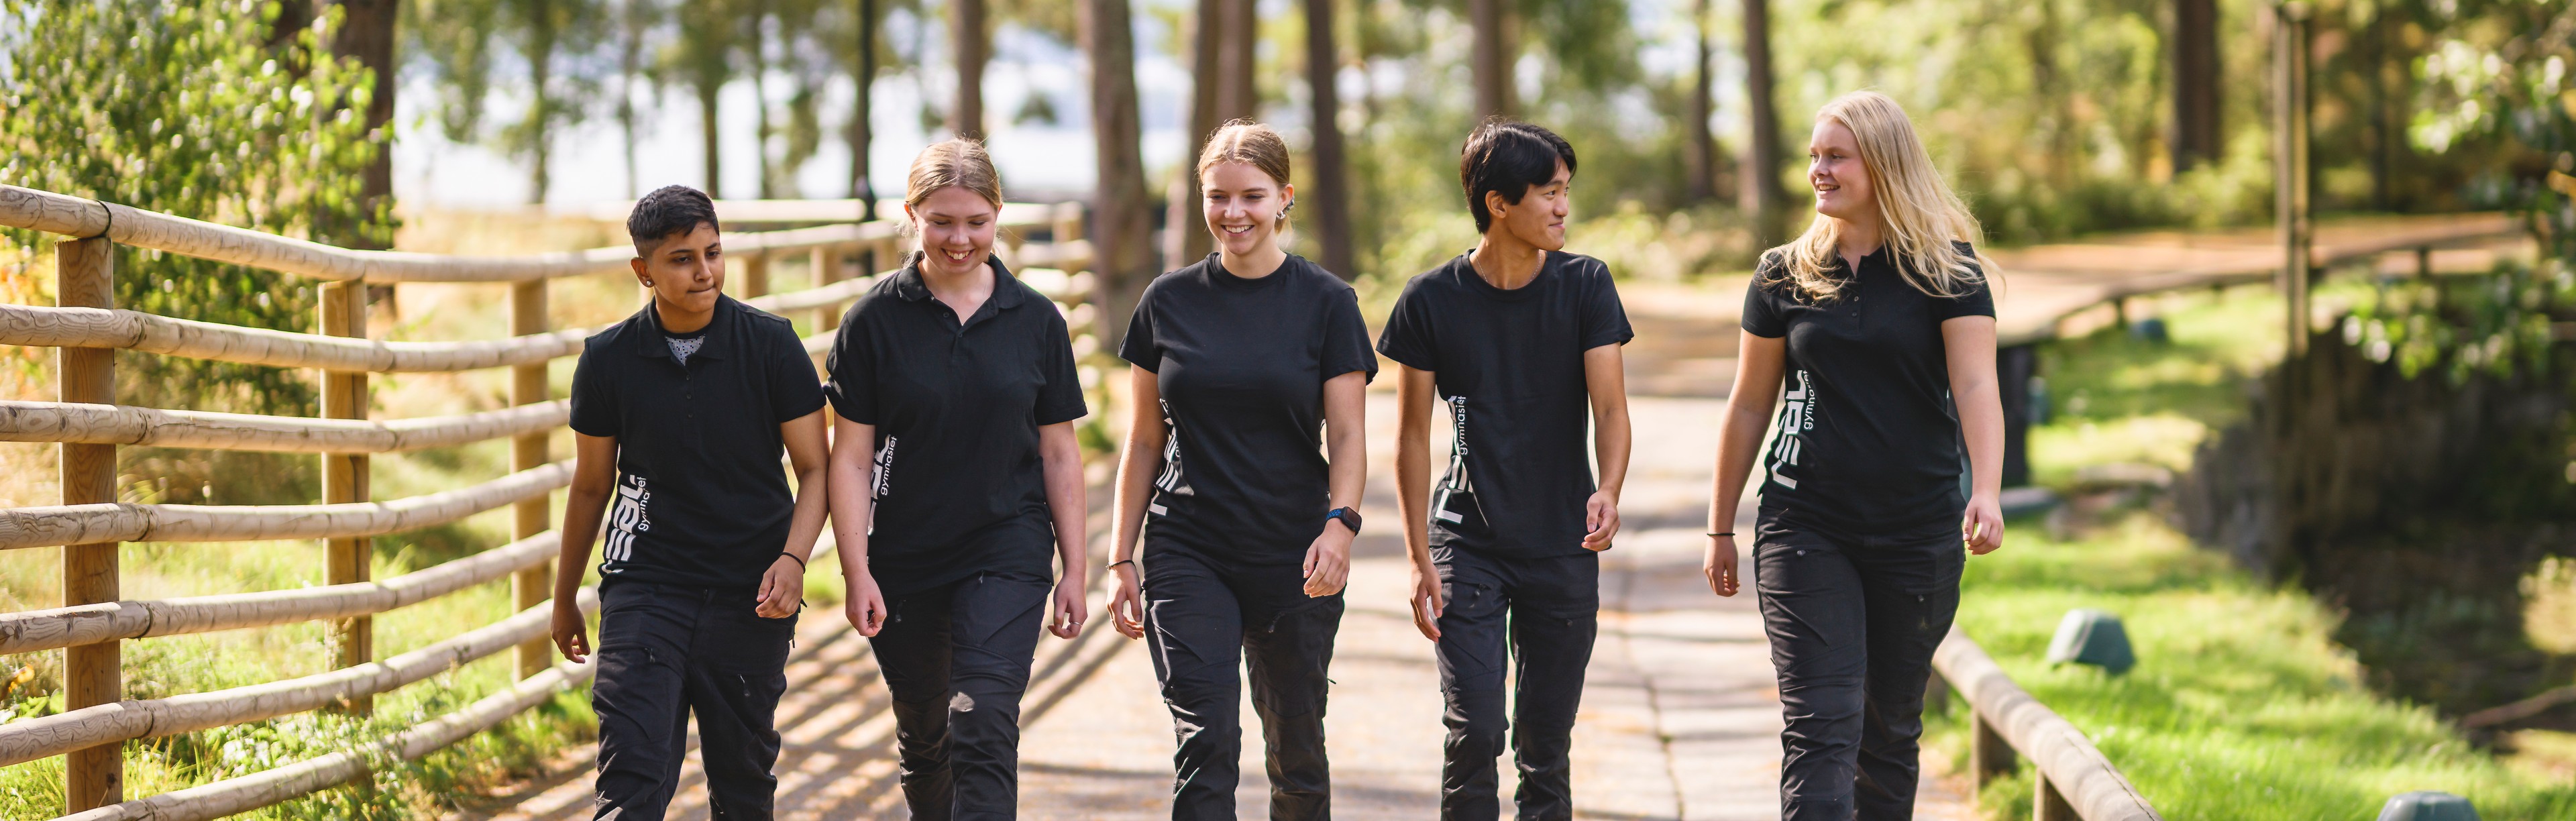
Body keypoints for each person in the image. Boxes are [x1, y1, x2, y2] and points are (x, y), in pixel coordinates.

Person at [1702, 90, 2006, 820]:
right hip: (1806, 522)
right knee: (1821, 724)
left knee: (1889, 732)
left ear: (1883, 163)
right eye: (1814, 155)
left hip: (1917, 530)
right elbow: (1749, 405)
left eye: (1835, 156)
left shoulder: (1949, 271)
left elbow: (1976, 386)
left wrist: (1988, 490)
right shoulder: (1783, 273)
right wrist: (1719, 526)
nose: (1818, 170)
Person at [1104, 119, 1375, 820]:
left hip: (1294, 549)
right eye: (1217, 197)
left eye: (1251, 196)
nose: (1233, 213)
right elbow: (1143, 440)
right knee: (1207, 739)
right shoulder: (1167, 301)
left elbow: (1348, 435)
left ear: (1284, 198)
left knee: (1297, 747)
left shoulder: (1328, 303)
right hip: (1188, 543)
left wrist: (1340, 526)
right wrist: (1120, 557)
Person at [822, 138, 1091, 820]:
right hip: (906, 555)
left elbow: (1060, 453)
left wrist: (1075, 569)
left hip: (1008, 545)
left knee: (982, 716)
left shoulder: (1036, 321)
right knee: (926, 736)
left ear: (998, 216)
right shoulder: (872, 322)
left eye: (977, 222)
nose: (960, 239)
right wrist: (857, 571)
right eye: (941, 222)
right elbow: (850, 458)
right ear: (911, 215)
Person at [548, 184, 833, 821]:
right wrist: (564, 597)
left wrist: (794, 560)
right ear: (643, 270)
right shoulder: (607, 360)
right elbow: (591, 485)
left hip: (750, 590)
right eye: (681, 259)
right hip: (646, 584)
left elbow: (816, 468)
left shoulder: (772, 345)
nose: (704, 271)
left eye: (713, 253)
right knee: (632, 776)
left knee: (742, 783)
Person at [1378, 119, 1633, 820]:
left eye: (1566, 191)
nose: (1563, 208)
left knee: (1545, 746)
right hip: (1467, 543)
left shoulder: (1586, 285)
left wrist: (1609, 489)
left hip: (1563, 543)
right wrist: (1417, 556)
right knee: (1475, 729)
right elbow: (1410, 438)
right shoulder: (1429, 299)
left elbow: (1611, 409)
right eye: (1549, 193)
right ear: (1498, 203)